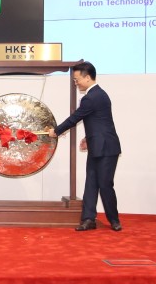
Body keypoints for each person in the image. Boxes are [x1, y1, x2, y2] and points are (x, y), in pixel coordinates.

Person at [49, 61, 122, 232]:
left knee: (105, 184)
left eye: (77, 79)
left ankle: (114, 220)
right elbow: (98, 122)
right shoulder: (98, 94)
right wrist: (88, 138)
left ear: (87, 77)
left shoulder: (92, 97)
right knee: (91, 183)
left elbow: (75, 118)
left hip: (106, 147)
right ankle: (88, 219)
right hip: (98, 145)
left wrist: (56, 131)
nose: (76, 83)